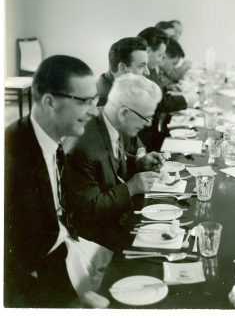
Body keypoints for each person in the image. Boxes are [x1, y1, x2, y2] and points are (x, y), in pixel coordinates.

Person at [5, 55, 112, 308]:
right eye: (84, 102)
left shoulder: (54, 139)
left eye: (95, 101)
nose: (94, 111)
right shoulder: (10, 160)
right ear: (49, 101)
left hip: (63, 246)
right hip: (35, 277)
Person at [64, 74, 163, 251]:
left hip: (114, 218)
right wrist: (131, 188)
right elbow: (85, 211)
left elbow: (109, 166)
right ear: (124, 113)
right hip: (94, 239)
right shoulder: (83, 147)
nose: (148, 125)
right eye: (145, 118)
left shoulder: (111, 121)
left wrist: (139, 163)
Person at [97, 36, 149, 106]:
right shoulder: (107, 103)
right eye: (141, 66)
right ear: (122, 68)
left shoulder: (119, 89)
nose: (147, 72)